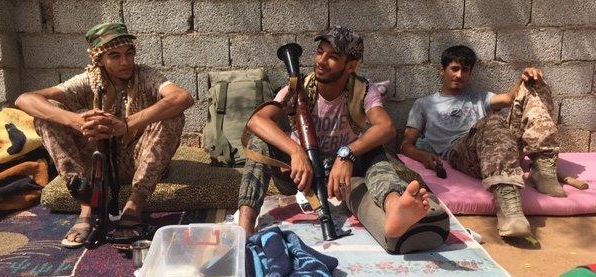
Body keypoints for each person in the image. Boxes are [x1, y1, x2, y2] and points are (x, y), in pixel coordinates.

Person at [238, 26, 447, 253]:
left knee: (375, 153)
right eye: (320, 52)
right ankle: (245, 227)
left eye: (333, 57)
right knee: (258, 143)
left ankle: (395, 206)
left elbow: (386, 127)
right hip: (301, 174)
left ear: (351, 66)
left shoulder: (363, 89)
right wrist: (295, 152)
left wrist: (346, 153)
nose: (321, 60)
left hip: (341, 175)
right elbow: (257, 121)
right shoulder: (300, 88)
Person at [15, 22, 194, 248]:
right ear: (98, 59)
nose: (125, 62)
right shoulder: (87, 81)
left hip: (140, 161)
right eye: (115, 56)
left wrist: (127, 124)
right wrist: (77, 121)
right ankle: (86, 205)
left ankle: (134, 204)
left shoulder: (146, 76)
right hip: (96, 166)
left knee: (172, 114)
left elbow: (183, 97)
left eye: (130, 54)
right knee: (45, 116)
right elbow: (25, 99)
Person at [401, 45, 564, 238]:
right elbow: (405, 144)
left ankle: (542, 167)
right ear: (442, 70)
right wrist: (422, 156)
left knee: (534, 86)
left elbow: (510, 98)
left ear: (470, 73)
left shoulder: (480, 97)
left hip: (500, 149)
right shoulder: (424, 104)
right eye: (454, 69)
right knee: (493, 120)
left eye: (465, 70)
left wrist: (524, 78)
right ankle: (510, 212)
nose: (459, 75)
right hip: (462, 152)